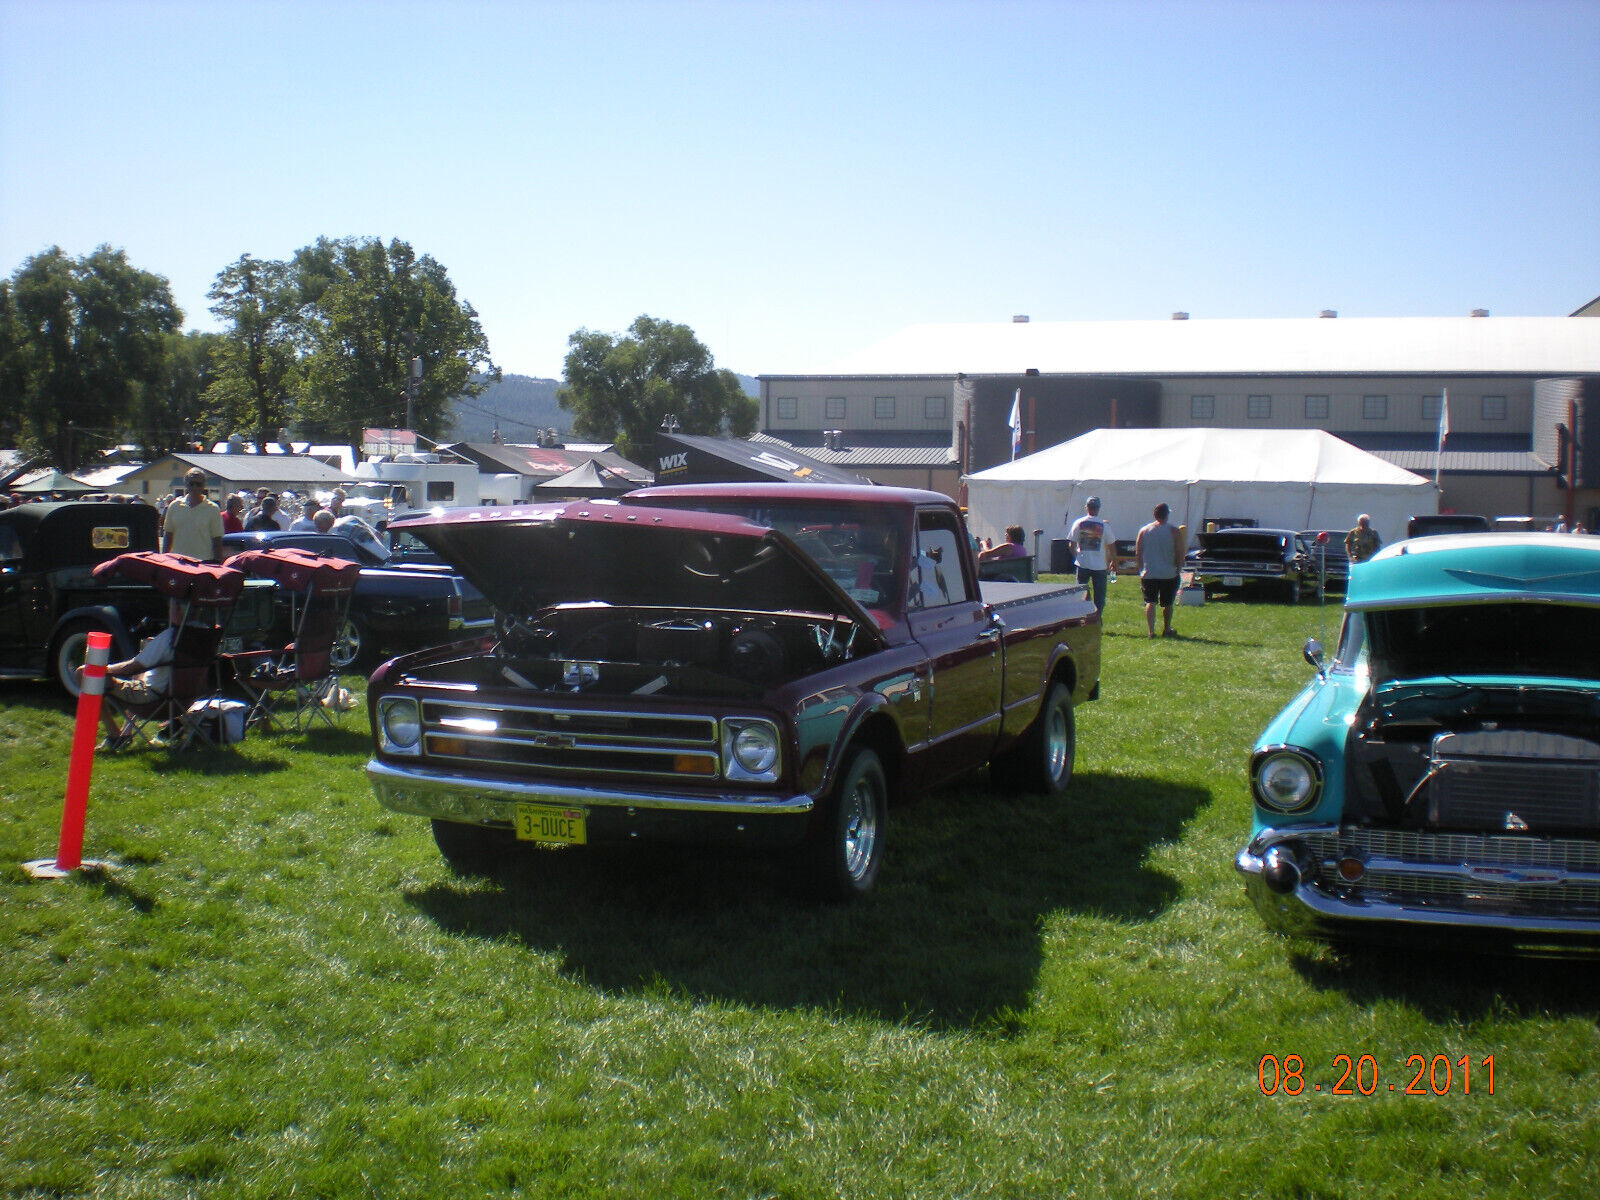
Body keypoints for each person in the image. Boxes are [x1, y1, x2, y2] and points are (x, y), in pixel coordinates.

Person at [79, 600, 181, 746]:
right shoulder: (203, 634)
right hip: (184, 700)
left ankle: (115, 737)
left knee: (82, 673)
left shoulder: (169, 637)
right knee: (141, 674)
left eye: (173, 608)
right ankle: (125, 732)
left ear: (174, 611)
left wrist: (103, 669)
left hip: (153, 700)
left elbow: (133, 666)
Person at [1136, 502, 1182, 639]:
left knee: (1150, 601)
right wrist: (1179, 567)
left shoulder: (1144, 530)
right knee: (1167, 603)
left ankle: (1151, 631)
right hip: (1168, 572)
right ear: (1166, 514)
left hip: (1149, 572)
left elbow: (1138, 552)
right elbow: (1180, 551)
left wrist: (1140, 570)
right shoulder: (1174, 531)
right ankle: (1166, 628)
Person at [161, 469, 225, 562]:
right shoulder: (174, 506)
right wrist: (164, 559)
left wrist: (218, 563)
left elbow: (217, 540)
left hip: (203, 563)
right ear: (186, 484)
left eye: (198, 484)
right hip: (178, 562)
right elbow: (168, 535)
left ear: (203, 486)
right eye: (191, 483)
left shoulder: (213, 509)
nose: (195, 487)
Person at [1067, 496, 1113, 614]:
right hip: (1100, 565)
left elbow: (1071, 544)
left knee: (1080, 593)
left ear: (1086, 507)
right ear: (1098, 508)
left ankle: (1082, 615)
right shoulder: (1104, 525)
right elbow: (1112, 545)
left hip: (1082, 563)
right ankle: (1097, 618)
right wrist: (1113, 562)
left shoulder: (1078, 523)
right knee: (1100, 596)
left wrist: (1076, 557)